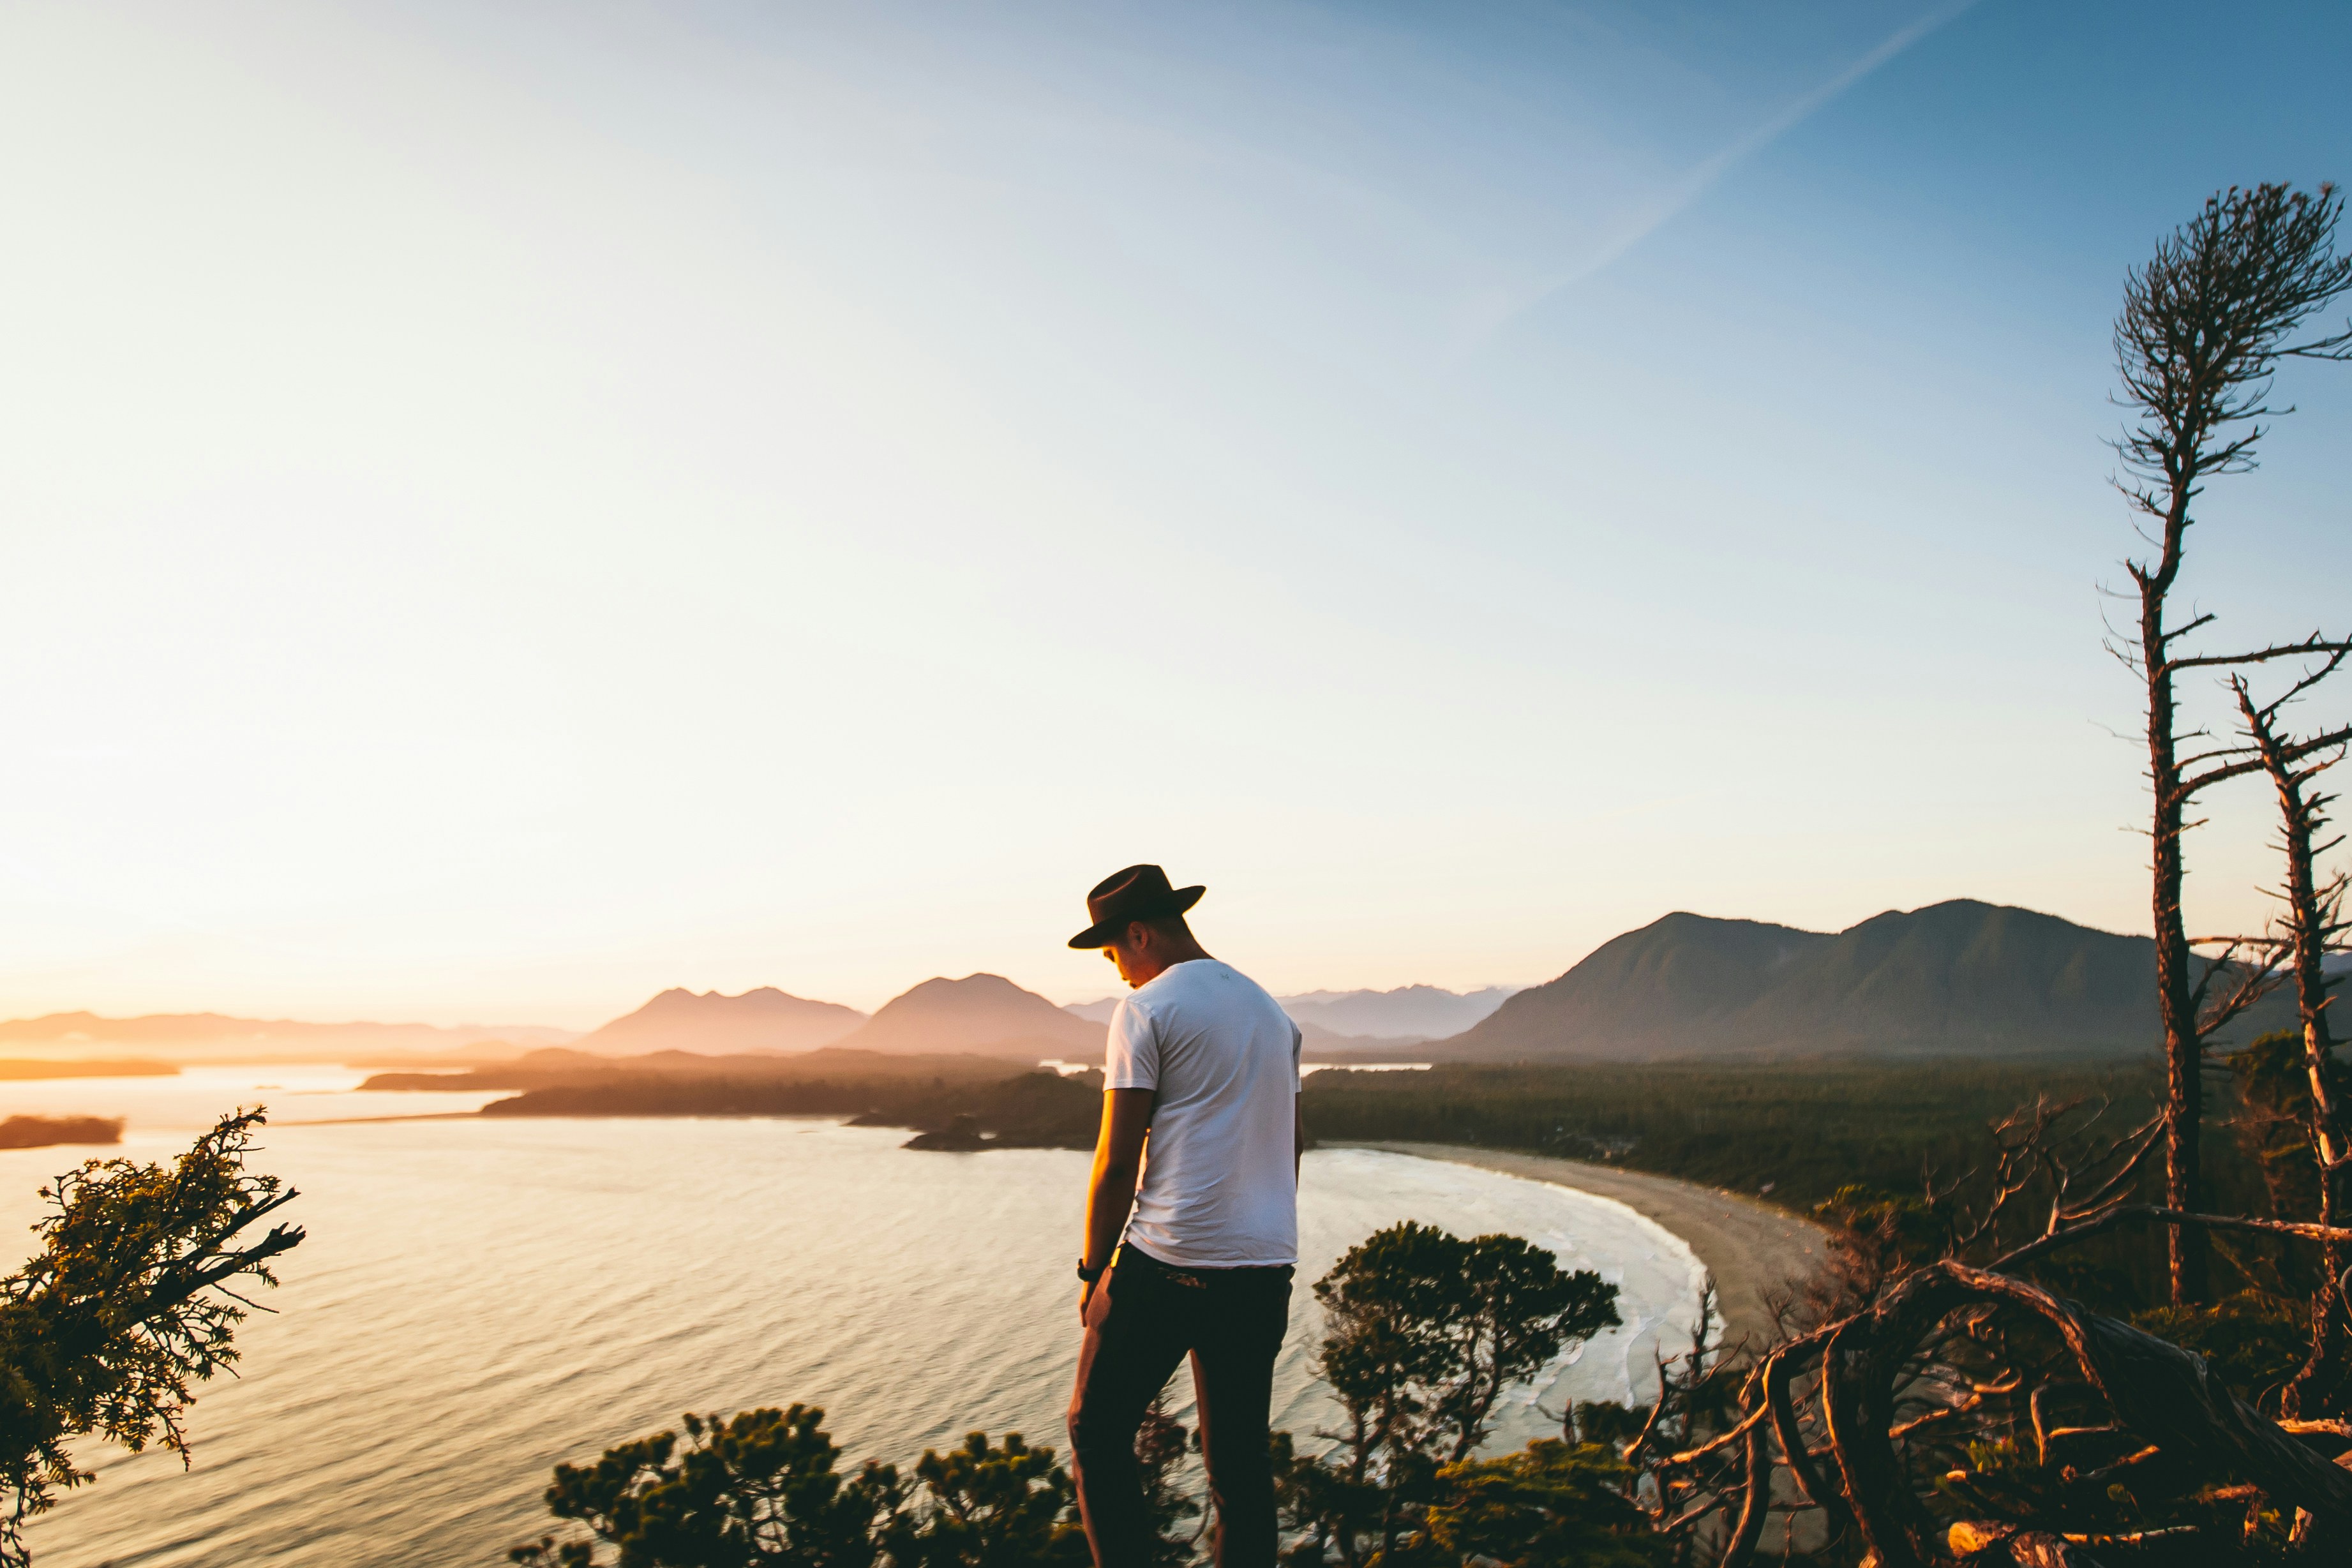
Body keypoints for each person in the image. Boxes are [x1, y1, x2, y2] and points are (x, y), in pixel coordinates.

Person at [1063, 864, 1304, 1568]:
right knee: (1236, 1463)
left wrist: (1092, 1271)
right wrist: (1258, 1240)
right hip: (1263, 1267)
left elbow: (1116, 1160)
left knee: (1096, 1433)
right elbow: (1288, 1147)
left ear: (1138, 934)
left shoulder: (1147, 1009)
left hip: (1168, 1264)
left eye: (1114, 955)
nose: (1118, 974)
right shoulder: (1271, 1012)